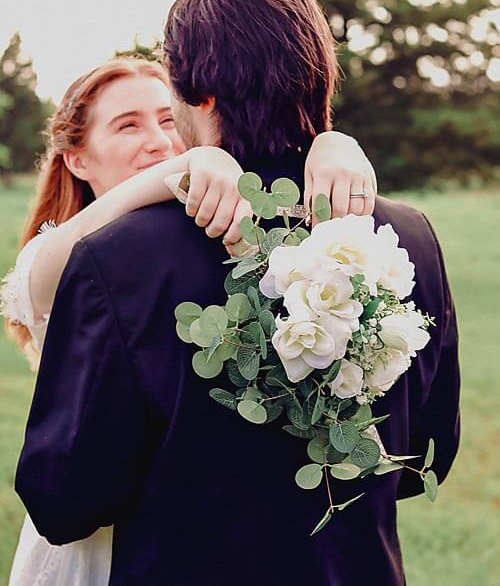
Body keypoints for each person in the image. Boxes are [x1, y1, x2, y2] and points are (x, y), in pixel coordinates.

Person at [14, 0, 460, 586]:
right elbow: (424, 454)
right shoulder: (406, 236)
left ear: (194, 90)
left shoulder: (120, 258)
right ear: (319, 75)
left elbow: (64, 499)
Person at [2, 55, 377, 586]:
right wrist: (185, 165)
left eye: (164, 118)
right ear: (78, 159)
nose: (157, 139)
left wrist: (335, 143)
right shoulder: (57, 260)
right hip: (97, 551)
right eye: (128, 125)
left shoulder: (209, 242)